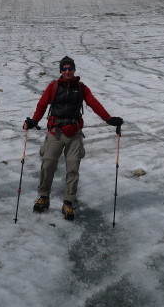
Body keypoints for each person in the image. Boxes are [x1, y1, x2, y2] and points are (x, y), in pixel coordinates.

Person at [24, 56, 123, 220]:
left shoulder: (82, 88)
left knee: (73, 169)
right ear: (60, 71)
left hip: (74, 133)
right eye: (64, 69)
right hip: (55, 132)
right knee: (48, 165)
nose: (67, 71)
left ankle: (68, 202)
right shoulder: (53, 87)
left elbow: (94, 104)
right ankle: (44, 197)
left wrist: (109, 119)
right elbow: (42, 105)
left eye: (70, 68)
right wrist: (34, 121)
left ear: (74, 70)